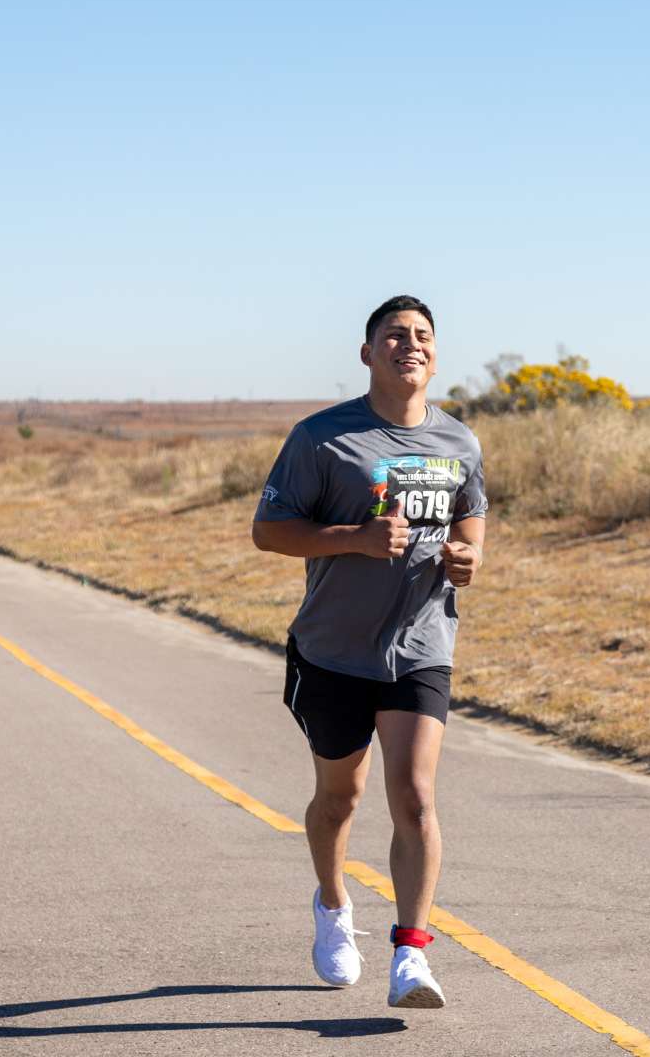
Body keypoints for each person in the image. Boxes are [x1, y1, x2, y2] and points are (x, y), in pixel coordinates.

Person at [251, 294, 486, 1009]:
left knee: (414, 799)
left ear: (435, 354)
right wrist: (352, 539)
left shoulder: (460, 443)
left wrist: (468, 558)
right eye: (393, 335)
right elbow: (269, 530)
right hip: (333, 652)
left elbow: (472, 518)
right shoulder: (323, 439)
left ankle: (412, 954)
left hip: (420, 645)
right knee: (340, 797)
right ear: (368, 354)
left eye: (421, 336)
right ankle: (331, 904)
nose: (408, 345)